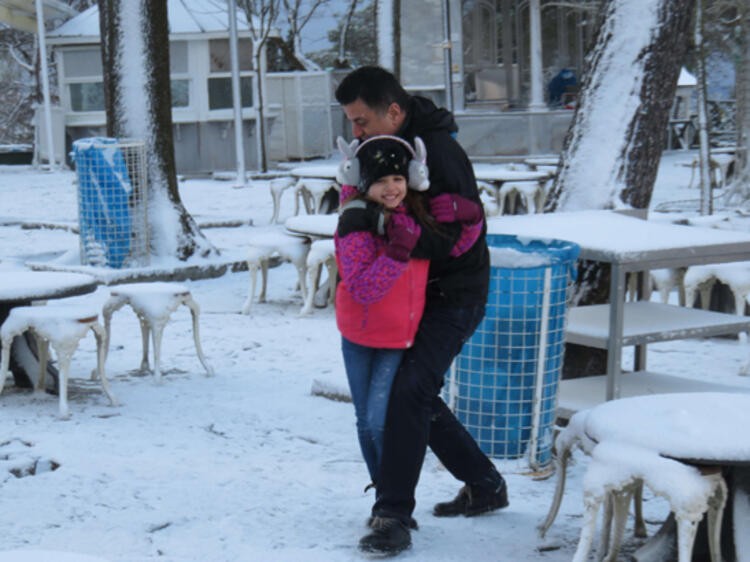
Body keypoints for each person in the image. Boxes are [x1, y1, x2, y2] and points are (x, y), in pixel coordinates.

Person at [335, 66, 509, 555]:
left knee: (409, 391)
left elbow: (453, 237)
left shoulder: (440, 152)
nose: (357, 132)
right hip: (414, 296)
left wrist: (399, 239)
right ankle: (485, 484)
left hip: (455, 295)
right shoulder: (390, 148)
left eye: (362, 121)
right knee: (417, 396)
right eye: (351, 122)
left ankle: (392, 514)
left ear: (393, 111)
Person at [335, 135, 431, 491]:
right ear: (362, 181)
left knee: (380, 419)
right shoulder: (356, 223)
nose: (391, 188)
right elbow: (362, 287)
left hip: (397, 336)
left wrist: (469, 225)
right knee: (368, 419)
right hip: (360, 334)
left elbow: (447, 246)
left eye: (398, 179)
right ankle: (385, 493)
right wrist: (396, 254)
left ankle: (391, 493)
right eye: (380, 180)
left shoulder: (414, 214)